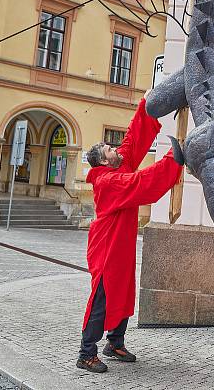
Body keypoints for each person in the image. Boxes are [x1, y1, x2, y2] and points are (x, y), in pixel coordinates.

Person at [77, 90, 185, 374]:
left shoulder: (118, 162)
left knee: (123, 293)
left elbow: (132, 139)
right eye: (109, 150)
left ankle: (114, 343)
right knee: (102, 298)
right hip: (107, 248)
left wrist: (146, 105)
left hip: (121, 245)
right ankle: (86, 353)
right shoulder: (106, 181)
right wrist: (172, 160)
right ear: (102, 162)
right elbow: (139, 183)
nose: (115, 150)